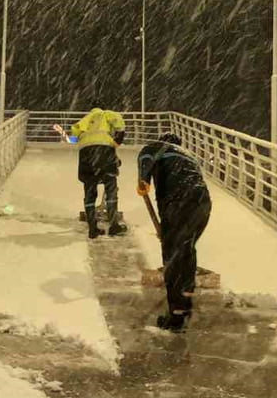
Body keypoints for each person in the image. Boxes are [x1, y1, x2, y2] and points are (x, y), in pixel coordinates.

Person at [137, 132, 211, 332]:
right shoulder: (188, 157)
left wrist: (143, 179)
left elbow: (146, 157)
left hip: (178, 200)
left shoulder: (157, 147)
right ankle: (185, 304)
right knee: (186, 250)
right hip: (202, 202)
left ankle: (176, 314)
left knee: (173, 255)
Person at [70, 105, 127, 239]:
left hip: (86, 156)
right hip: (105, 153)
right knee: (111, 187)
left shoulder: (85, 120)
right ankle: (114, 226)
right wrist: (118, 140)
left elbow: (75, 136)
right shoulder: (105, 114)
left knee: (89, 191)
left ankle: (92, 229)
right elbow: (119, 123)